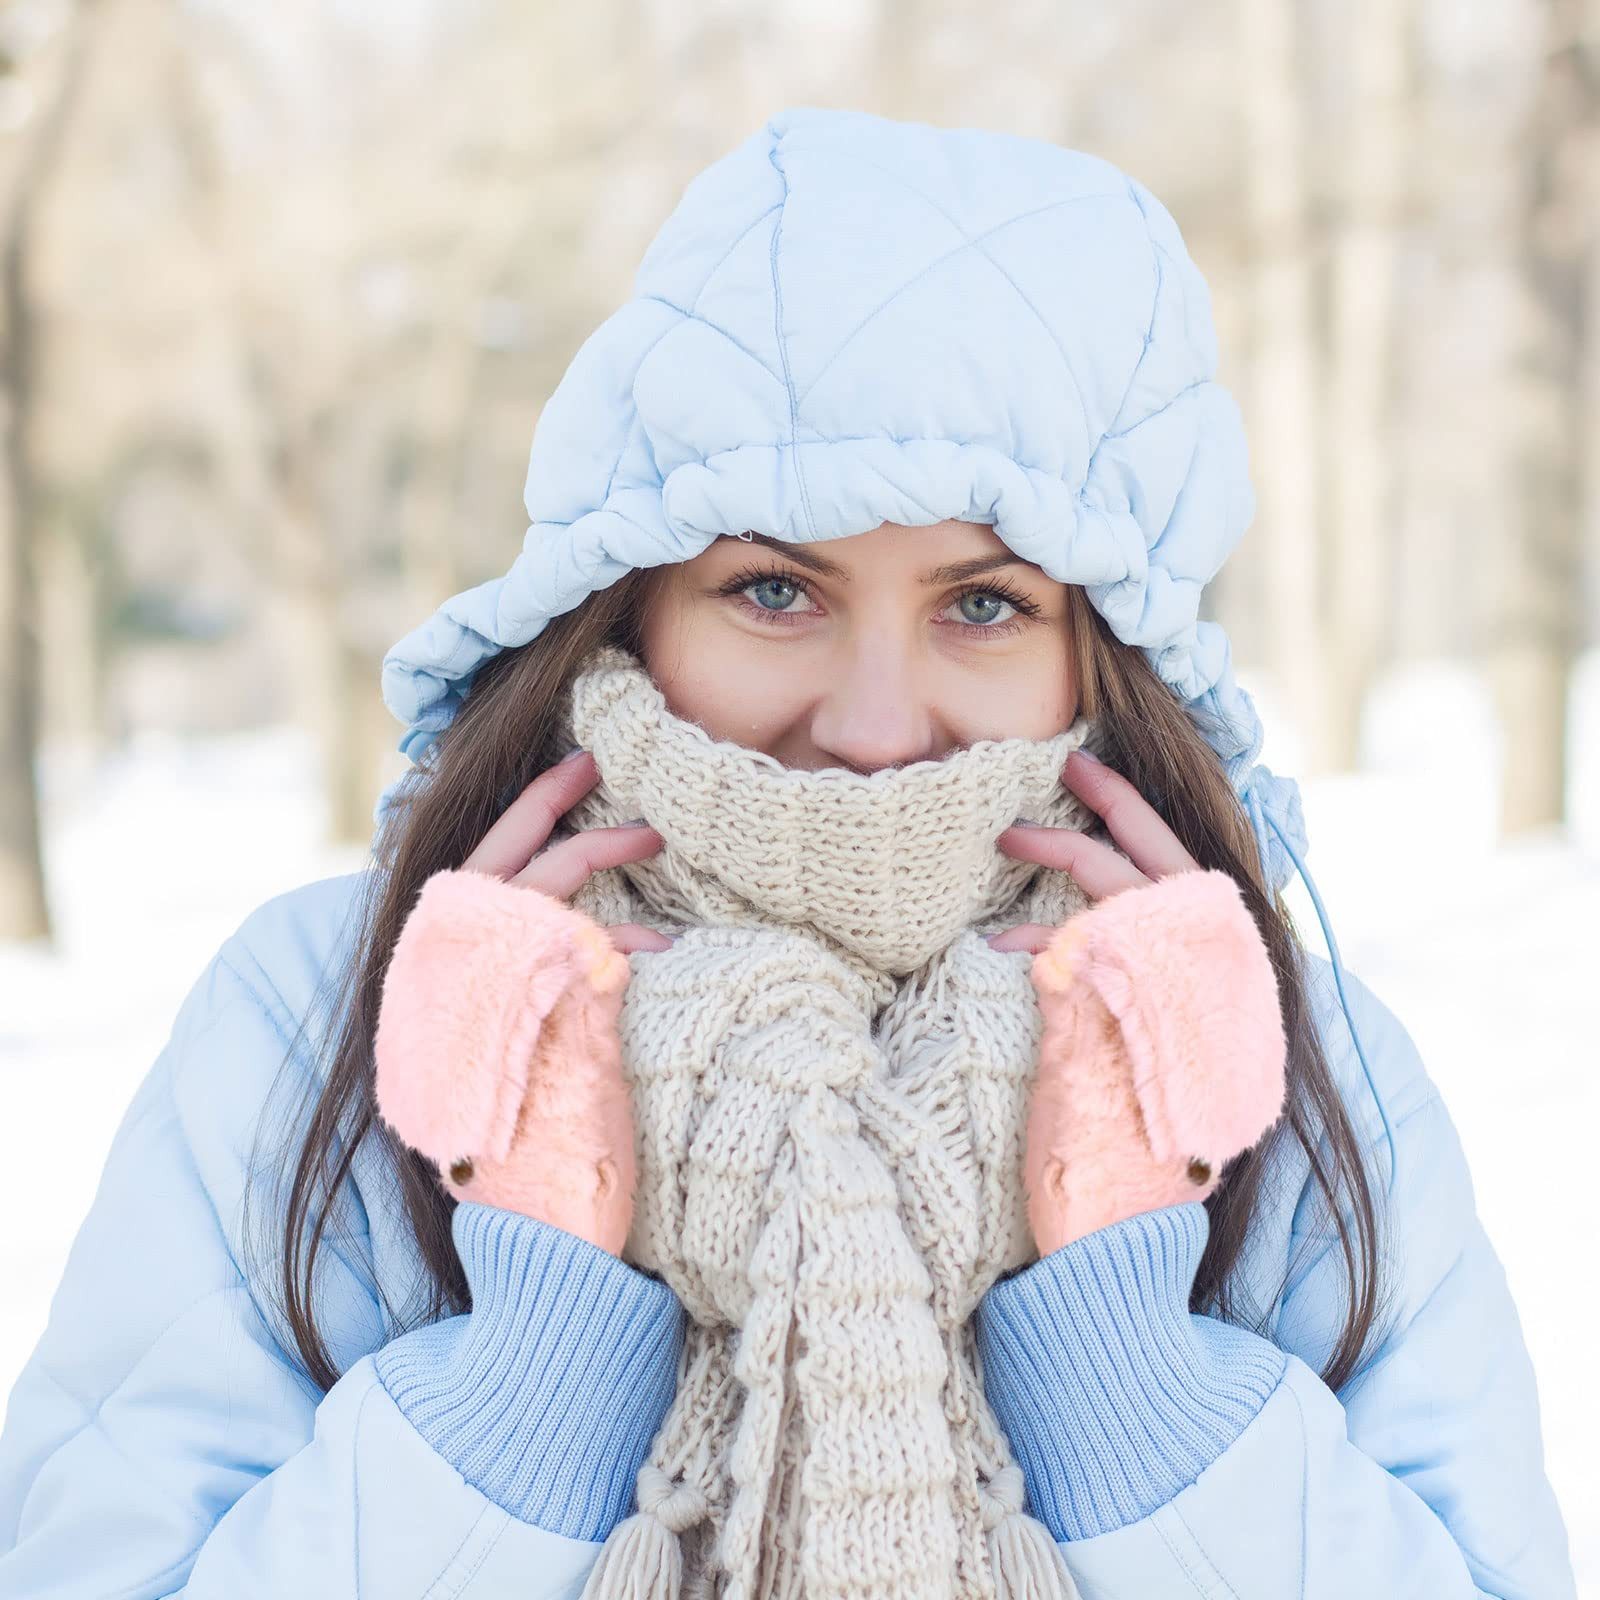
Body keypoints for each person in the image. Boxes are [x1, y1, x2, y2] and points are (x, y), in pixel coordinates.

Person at [0, 105, 1576, 1599]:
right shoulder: (323, 1020)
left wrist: (1132, 1375)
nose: (876, 727)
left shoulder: (1286, 1074)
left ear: (1100, 655)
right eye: (775, 593)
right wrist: (529, 1369)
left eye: (984, 605)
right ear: (625, 609)